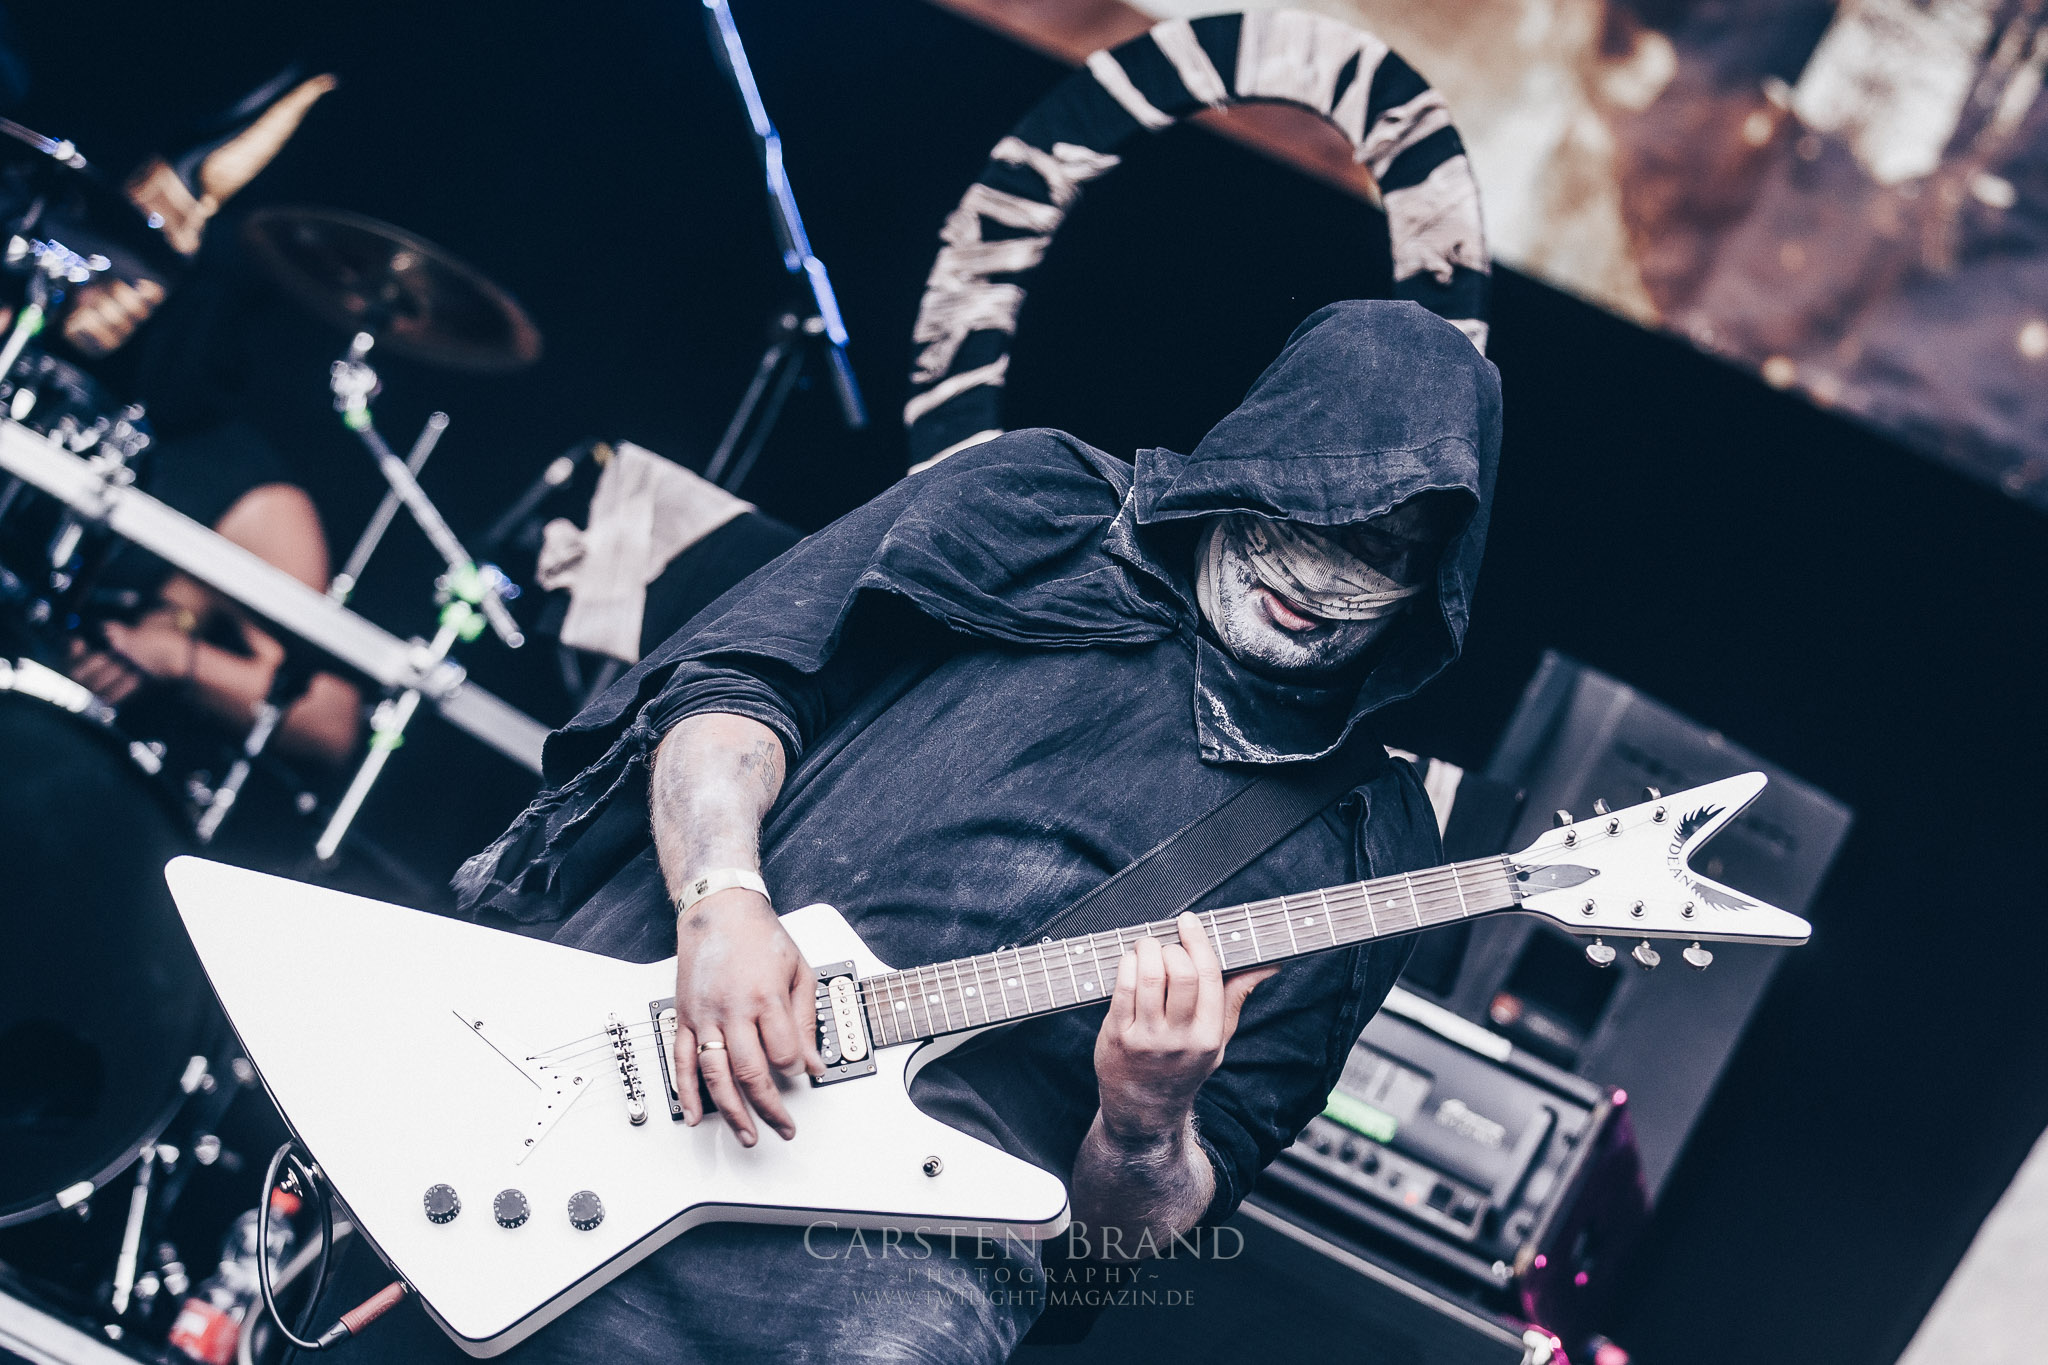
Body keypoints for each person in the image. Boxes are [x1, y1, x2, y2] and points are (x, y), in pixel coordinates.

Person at [342, 297, 1500, 1362]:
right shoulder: (1039, 502)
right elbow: (737, 682)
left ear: (1430, 588)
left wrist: (1147, 1124)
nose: (1317, 581)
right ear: (1240, 468)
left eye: (1379, 555)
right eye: (1297, 517)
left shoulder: (1364, 839)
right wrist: (720, 898)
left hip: (895, 1267)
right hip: (627, 1048)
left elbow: (1113, 1250)